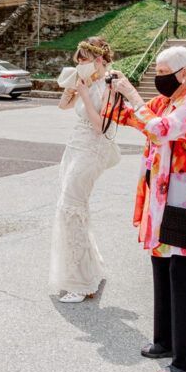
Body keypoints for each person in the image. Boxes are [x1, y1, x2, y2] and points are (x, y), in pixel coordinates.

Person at [106, 46, 186, 372]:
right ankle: (166, 341)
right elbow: (130, 117)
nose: (158, 78)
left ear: (184, 73)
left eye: (163, 72)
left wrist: (131, 91)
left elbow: (159, 129)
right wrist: (107, 88)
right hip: (164, 201)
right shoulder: (169, 102)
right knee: (164, 268)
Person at [49, 37, 122, 303]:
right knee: (72, 207)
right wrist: (73, 87)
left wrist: (84, 94)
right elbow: (63, 106)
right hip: (74, 146)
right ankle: (91, 270)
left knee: (72, 206)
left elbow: (100, 125)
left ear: (99, 60)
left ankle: (81, 282)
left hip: (93, 149)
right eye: (78, 62)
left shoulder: (112, 84)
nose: (80, 65)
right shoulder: (87, 81)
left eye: (84, 61)